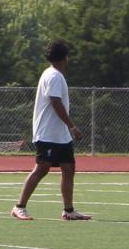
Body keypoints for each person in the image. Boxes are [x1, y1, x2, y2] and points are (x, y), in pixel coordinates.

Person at [13, 40, 90, 221]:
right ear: (65, 57)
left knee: (69, 168)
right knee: (41, 169)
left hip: (60, 134)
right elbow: (55, 102)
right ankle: (19, 206)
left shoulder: (53, 74)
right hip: (48, 132)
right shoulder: (54, 76)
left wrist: (66, 129)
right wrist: (72, 126)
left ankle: (69, 211)